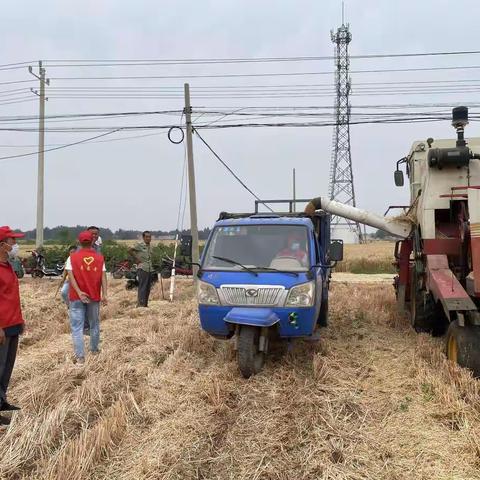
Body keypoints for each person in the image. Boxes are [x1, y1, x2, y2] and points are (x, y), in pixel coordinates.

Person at [66, 230, 108, 364]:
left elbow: (70, 277)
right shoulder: (99, 258)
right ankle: (94, 350)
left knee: (77, 327)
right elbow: (103, 277)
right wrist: (105, 294)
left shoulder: (72, 257)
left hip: (76, 297)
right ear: (93, 241)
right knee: (94, 324)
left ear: (79, 242)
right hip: (94, 296)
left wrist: (79, 292)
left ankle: (80, 358)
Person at [0, 226, 25, 425]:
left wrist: (20, 320)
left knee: (7, 367)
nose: (15, 245)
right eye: (12, 241)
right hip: (2, 326)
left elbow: (12, 297)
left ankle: (2, 401)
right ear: (2, 245)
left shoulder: (9, 266)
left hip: (13, 323)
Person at [129, 231, 153, 307]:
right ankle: (140, 305)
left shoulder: (149, 246)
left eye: (149, 237)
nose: (148, 238)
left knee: (148, 288)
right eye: (147, 237)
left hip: (149, 268)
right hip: (142, 268)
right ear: (143, 237)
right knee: (142, 287)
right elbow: (129, 250)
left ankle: (145, 304)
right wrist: (136, 258)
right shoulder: (140, 245)